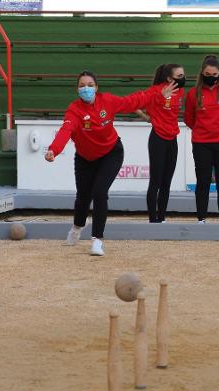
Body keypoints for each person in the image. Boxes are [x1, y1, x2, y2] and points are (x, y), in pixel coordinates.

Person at [45, 70, 176, 256]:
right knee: (83, 197)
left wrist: (157, 94)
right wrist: (53, 150)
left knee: (99, 192)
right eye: (82, 85)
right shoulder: (74, 110)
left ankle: (97, 240)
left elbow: (133, 101)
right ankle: (77, 227)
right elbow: (66, 131)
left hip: (111, 153)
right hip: (85, 158)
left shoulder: (108, 101)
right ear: (77, 89)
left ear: (96, 88)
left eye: (90, 85)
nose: (86, 89)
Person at [184, 55, 219, 224]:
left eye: (214, 74)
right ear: (202, 73)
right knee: (203, 181)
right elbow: (189, 118)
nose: (211, 77)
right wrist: (203, 130)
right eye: (208, 73)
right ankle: (201, 218)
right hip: (201, 143)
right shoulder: (193, 93)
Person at [136, 64, 186, 223]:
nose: (183, 78)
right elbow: (136, 104)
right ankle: (153, 219)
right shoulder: (155, 90)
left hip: (173, 139)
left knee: (166, 181)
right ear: (169, 78)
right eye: (179, 76)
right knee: (156, 181)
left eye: (183, 75)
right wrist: (150, 119)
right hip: (158, 138)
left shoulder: (180, 91)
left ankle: (162, 218)